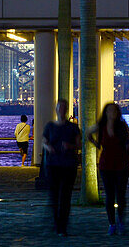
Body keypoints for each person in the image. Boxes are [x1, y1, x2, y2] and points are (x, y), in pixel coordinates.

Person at [88, 103, 129, 236]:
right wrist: (96, 144)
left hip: (121, 162)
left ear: (117, 112)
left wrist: (126, 145)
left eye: (114, 111)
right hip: (106, 163)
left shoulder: (122, 125)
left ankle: (120, 222)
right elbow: (88, 133)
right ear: (106, 113)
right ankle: (112, 224)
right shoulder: (101, 126)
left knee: (120, 195)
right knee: (109, 195)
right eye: (109, 111)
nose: (111, 113)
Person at [42, 99, 80, 237]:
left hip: (68, 165)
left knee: (65, 197)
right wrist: (49, 147)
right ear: (56, 110)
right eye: (59, 108)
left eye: (64, 108)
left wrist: (70, 146)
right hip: (53, 165)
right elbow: (44, 141)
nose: (61, 110)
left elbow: (79, 144)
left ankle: (62, 226)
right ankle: (57, 224)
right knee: (54, 196)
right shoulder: (50, 126)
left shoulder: (73, 127)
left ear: (66, 110)